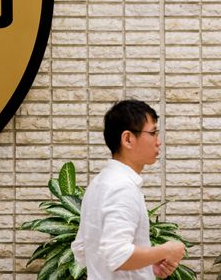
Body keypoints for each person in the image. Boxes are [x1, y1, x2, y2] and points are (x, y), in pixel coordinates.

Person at [71, 99, 185, 279]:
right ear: (128, 139)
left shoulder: (99, 183)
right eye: (153, 133)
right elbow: (118, 255)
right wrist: (166, 250)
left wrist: (145, 266)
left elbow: (82, 250)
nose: (158, 142)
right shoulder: (122, 187)